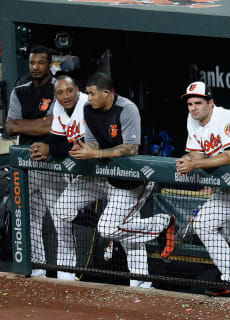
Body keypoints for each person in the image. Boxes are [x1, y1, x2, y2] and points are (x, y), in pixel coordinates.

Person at [53, 72, 174, 288]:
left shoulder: (127, 109)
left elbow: (131, 148)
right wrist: (83, 148)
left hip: (131, 179)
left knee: (110, 229)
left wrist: (95, 154)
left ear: (106, 93)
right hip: (104, 175)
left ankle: (161, 226)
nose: (88, 98)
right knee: (62, 209)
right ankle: (115, 229)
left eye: (91, 94)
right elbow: (93, 144)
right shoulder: (88, 110)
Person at [176, 81, 230, 296]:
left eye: (198, 103)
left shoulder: (226, 118)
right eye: (190, 104)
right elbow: (197, 154)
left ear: (210, 102)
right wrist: (186, 159)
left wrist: (195, 164)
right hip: (225, 190)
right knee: (204, 225)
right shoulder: (193, 120)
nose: (193, 108)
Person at [29, 75, 88, 281]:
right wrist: (44, 147)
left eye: (69, 91)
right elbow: (57, 138)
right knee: (65, 211)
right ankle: (65, 276)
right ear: (55, 95)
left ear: (77, 90)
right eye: (61, 92)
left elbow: (79, 144)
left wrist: (50, 148)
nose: (66, 96)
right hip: (86, 175)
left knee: (115, 227)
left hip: (110, 170)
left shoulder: (86, 105)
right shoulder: (59, 108)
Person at [6, 45, 56, 277]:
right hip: (25, 164)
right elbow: (10, 126)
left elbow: (51, 126)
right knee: (30, 219)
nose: (35, 67)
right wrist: (40, 124)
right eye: (32, 63)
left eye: (41, 63)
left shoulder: (58, 88)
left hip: (52, 163)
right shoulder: (20, 89)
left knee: (61, 218)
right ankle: (38, 271)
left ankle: (68, 274)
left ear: (50, 65)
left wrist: (25, 124)